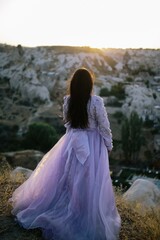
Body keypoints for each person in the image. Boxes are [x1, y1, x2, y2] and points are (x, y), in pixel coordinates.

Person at [10, 68, 121, 240]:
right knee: (89, 180)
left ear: (74, 85)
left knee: (67, 177)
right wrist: (108, 145)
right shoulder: (96, 102)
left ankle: (68, 205)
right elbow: (104, 127)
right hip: (93, 145)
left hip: (72, 142)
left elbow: (68, 124)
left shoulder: (69, 101)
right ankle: (84, 211)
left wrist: (74, 140)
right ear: (90, 84)